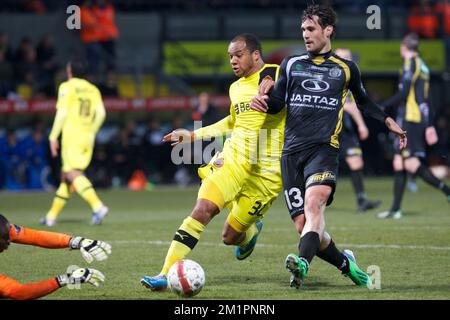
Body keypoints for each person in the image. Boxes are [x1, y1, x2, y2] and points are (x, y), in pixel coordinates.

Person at [250, 4, 407, 288]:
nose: (305, 35)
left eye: (311, 29)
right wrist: (263, 103)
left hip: (324, 151)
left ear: (328, 30)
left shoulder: (346, 69)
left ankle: (302, 265)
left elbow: (363, 101)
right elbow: (277, 104)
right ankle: (347, 264)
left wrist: (386, 120)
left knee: (314, 206)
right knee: (306, 226)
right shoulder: (291, 64)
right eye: (303, 30)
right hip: (291, 155)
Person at [140, 33, 285, 291]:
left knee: (230, 237)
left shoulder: (279, 72)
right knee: (203, 208)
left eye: (238, 55)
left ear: (255, 54)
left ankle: (250, 232)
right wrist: (194, 134)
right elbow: (232, 122)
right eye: (230, 56)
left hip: (267, 171)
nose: (233, 61)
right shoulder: (236, 88)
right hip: (233, 159)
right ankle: (164, 274)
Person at [377, 33, 450, 219]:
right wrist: (430, 124)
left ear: (404, 48)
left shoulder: (411, 64)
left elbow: (403, 94)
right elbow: (428, 98)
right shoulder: (423, 66)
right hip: (418, 120)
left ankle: (446, 190)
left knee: (410, 163)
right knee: (399, 162)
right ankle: (395, 209)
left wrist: (382, 105)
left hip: (411, 119)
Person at [40, 60, 108, 227]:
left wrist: (53, 136)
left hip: (72, 135)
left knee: (73, 173)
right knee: (67, 177)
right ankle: (51, 217)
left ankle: (98, 206)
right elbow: (101, 113)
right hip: (87, 135)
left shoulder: (67, 87)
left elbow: (62, 113)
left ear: (69, 71)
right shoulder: (93, 89)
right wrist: (91, 130)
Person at [0, 213, 110, 300]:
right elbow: (19, 292)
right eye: (6, 238)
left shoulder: (5, 229)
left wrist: (77, 241)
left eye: (9, 235)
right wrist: (66, 279)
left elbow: (36, 237)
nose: (10, 240)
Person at [335, 48, 381, 213]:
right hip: (329, 126)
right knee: (322, 165)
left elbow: (353, 104)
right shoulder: (334, 75)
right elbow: (349, 107)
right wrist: (361, 125)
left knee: (356, 161)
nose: (348, 60)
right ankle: (310, 200)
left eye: (349, 57)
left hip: (344, 127)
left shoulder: (350, 77)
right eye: (344, 57)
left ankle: (361, 200)